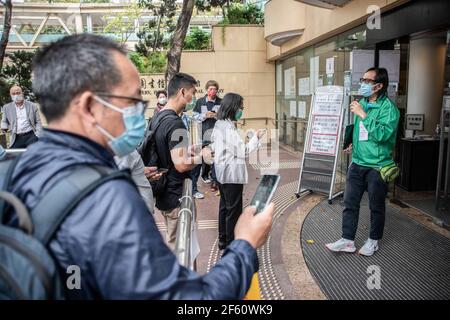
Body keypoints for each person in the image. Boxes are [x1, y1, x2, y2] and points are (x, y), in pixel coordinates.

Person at [6, 34, 274, 299]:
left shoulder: (17, 167)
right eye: (132, 102)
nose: (138, 112)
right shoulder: (106, 199)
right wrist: (245, 245)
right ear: (89, 107)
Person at [326, 67, 399, 257]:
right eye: (363, 79)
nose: (363, 84)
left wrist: (363, 115)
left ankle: (373, 240)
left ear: (379, 86)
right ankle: (347, 240)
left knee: (376, 206)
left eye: (367, 81)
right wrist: (352, 143)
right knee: (350, 203)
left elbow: (383, 135)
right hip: (357, 163)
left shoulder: (389, 109)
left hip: (378, 166)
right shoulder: (362, 103)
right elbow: (362, 132)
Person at [210, 93, 266, 250]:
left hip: (221, 171)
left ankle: (223, 239)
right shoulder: (228, 128)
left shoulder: (220, 124)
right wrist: (256, 137)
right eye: (241, 107)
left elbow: (215, 145)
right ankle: (231, 245)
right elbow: (243, 151)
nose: (242, 110)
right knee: (233, 210)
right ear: (232, 107)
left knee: (224, 206)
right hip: (231, 174)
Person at [192, 80, 221, 192]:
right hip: (203, 132)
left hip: (217, 133)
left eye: (214, 89)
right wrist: (205, 115)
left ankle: (215, 179)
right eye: (210, 89)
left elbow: (224, 115)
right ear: (206, 90)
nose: (212, 91)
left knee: (214, 155)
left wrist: (216, 115)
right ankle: (204, 175)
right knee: (204, 155)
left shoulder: (220, 101)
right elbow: (194, 116)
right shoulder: (200, 102)